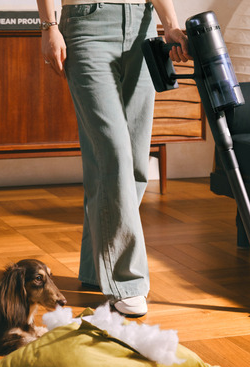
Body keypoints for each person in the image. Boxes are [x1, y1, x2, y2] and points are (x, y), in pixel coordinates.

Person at [36, 0, 189, 317]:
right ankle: (126, 282)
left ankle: (96, 269)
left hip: (143, 27)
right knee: (113, 157)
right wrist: (49, 26)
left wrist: (170, 24)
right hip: (87, 25)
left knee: (133, 162)